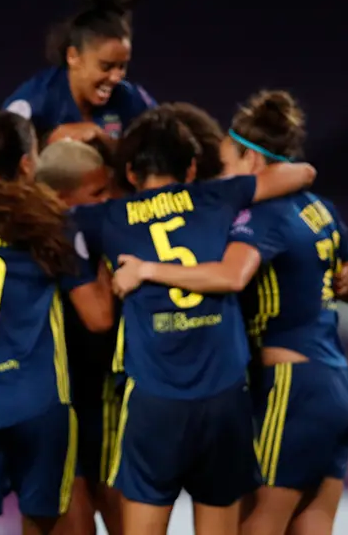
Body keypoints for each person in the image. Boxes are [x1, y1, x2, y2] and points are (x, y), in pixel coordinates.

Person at [111, 92, 348, 535]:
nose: (223, 174)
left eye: (228, 162)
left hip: (292, 389)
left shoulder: (262, 215)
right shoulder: (320, 208)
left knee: (255, 526)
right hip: (338, 387)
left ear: (251, 160)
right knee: (313, 521)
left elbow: (231, 276)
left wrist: (149, 270)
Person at [70, 105, 317, 535]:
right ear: (190, 167)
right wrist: (217, 187)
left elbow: (47, 211)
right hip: (224, 398)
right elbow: (302, 173)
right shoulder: (216, 197)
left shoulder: (106, 219)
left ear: (130, 172)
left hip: (155, 402)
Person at [0, 111, 115, 535]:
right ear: (28, 165)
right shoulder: (51, 227)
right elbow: (99, 316)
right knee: (47, 521)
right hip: (39, 403)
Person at [35, 140, 121, 535]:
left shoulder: (19, 229)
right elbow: (100, 316)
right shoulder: (72, 231)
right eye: (98, 194)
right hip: (85, 394)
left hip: (47, 394)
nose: (108, 201)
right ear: (61, 197)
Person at [3, 0, 160, 150]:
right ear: (73, 56)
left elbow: (171, 141)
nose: (116, 77)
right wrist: (48, 142)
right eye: (106, 66)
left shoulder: (130, 98)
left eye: (122, 66)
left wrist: (104, 140)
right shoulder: (33, 101)